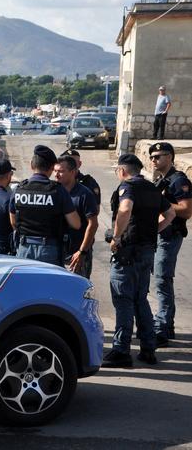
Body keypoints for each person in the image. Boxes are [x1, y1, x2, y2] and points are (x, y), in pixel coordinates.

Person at [103, 153, 175, 368]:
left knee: (123, 300)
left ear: (123, 171)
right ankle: (148, 348)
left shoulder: (128, 187)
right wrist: (155, 230)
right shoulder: (152, 188)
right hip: (146, 250)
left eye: (118, 170)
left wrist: (116, 237)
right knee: (140, 299)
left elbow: (125, 209)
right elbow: (170, 213)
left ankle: (121, 350)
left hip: (128, 252)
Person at [149, 142, 192, 346]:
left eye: (158, 156)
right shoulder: (161, 180)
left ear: (170, 157)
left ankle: (163, 327)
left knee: (162, 280)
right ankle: (167, 326)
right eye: (152, 156)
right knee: (161, 280)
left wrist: (162, 204)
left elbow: (186, 210)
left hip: (170, 235)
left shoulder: (178, 180)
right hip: (159, 234)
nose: (154, 160)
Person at [10, 145, 81, 265]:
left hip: (24, 248)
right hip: (49, 250)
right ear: (52, 168)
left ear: (32, 165)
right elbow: (76, 224)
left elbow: (13, 222)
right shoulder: (58, 190)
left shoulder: (19, 189)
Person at [54, 155, 98, 278]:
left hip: (76, 253)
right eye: (55, 171)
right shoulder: (53, 191)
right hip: (56, 252)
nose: (56, 175)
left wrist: (82, 251)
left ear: (73, 172)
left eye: (61, 171)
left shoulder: (84, 194)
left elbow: (93, 224)